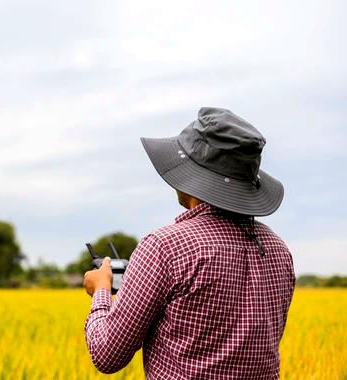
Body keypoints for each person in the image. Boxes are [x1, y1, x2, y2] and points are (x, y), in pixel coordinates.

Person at [83, 107, 295, 379]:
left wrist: (101, 290)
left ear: (194, 176)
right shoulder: (279, 250)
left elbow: (107, 354)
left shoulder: (165, 247)